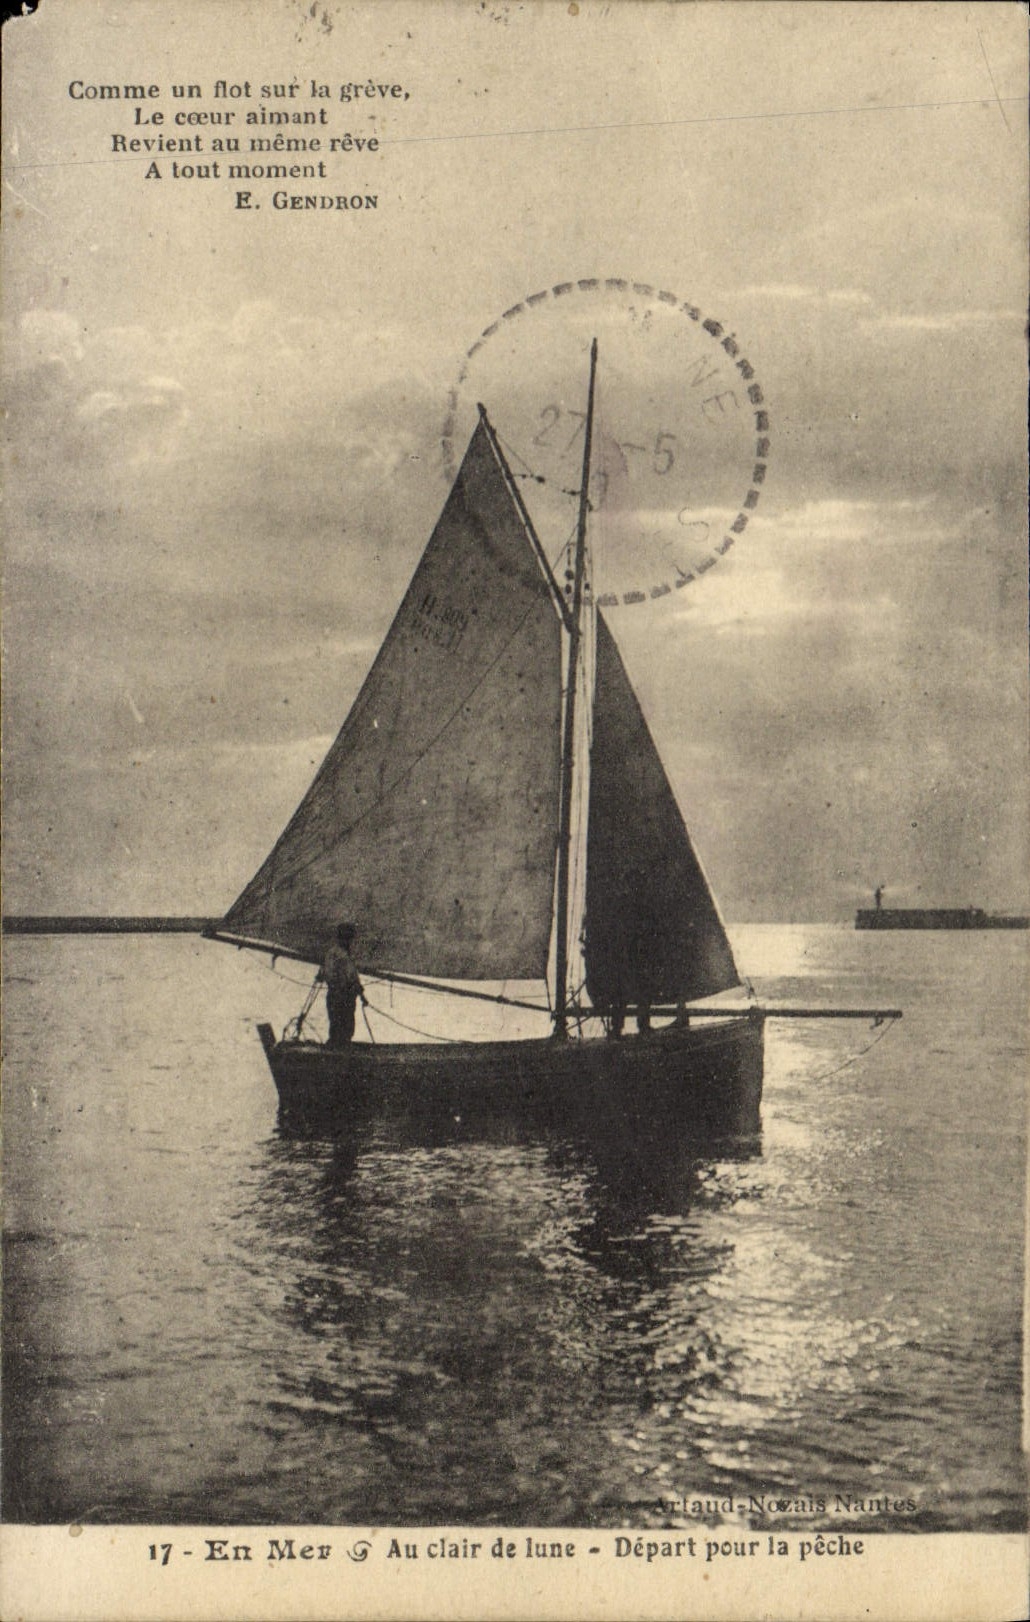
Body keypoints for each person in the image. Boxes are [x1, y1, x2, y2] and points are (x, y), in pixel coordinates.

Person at [319, 922, 366, 1047]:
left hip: (349, 997)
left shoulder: (348, 955)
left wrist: (361, 994)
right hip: (338, 996)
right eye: (346, 937)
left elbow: (353, 976)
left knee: (348, 1027)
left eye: (349, 938)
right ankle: (336, 1053)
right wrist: (341, 987)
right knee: (337, 1027)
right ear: (341, 938)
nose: (348, 941)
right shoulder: (333, 954)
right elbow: (329, 974)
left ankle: (342, 1052)